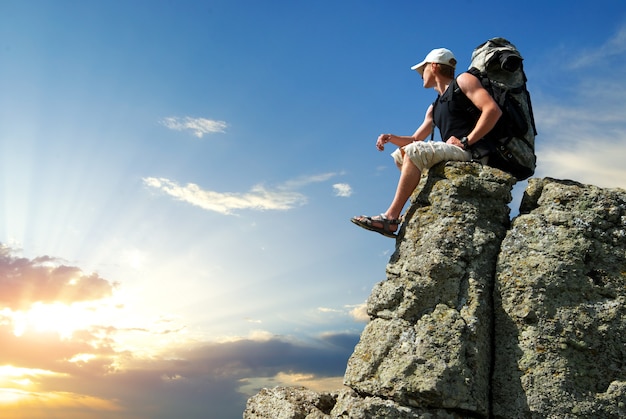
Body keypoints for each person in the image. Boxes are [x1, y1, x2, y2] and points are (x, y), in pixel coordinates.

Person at [351, 47, 502, 238]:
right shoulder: (435, 106)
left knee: (415, 151)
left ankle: (390, 217)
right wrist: (392, 138)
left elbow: (492, 110)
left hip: (474, 152)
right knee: (401, 153)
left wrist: (466, 141)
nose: (421, 75)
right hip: (458, 150)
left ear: (435, 67)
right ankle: (417, 199)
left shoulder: (463, 81)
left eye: (423, 70)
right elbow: (416, 139)